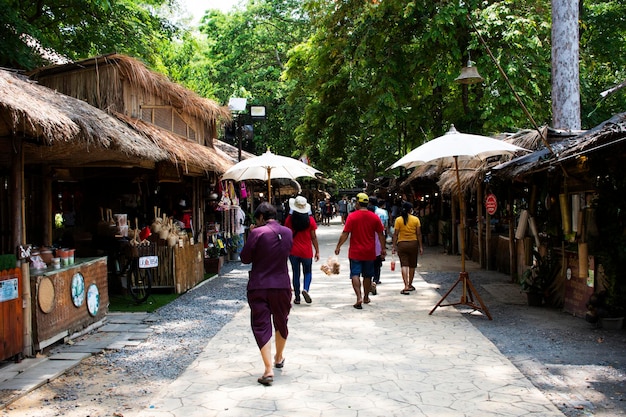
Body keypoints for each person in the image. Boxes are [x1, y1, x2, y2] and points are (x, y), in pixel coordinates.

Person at [239, 202, 294, 386]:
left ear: (261, 217)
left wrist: (252, 234)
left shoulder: (257, 233)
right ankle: (279, 357)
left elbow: (245, 258)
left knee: (261, 325)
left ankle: (268, 369)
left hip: (259, 285)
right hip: (282, 284)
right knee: (281, 321)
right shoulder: (287, 232)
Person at [335, 193, 386, 309]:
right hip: (369, 252)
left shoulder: (352, 216)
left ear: (358, 203)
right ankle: (366, 297)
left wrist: (338, 246)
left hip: (355, 252)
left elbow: (345, 233)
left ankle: (358, 297)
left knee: (355, 274)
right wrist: (383, 249)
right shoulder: (374, 217)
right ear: (367, 203)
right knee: (368, 276)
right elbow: (381, 234)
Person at [284, 195, 320, 304]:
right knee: (307, 272)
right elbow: (313, 237)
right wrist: (317, 250)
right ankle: (306, 289)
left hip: (293, 251)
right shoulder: (310, 220)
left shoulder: (289, 219)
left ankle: (297, 297)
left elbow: (286, 234)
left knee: (296, 273)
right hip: (306, 251)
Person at [391, 202, 423, 295]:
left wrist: (394, 246)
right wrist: (420, 246)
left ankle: (405, 285)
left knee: (404, 265)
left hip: (402, 244)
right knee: (412, 265)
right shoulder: (416, 219)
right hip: (413, 244)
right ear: (410, 210)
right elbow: (419, 234)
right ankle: (410, 284)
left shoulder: (398, 220)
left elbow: (395, 234)